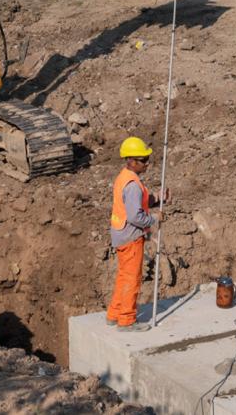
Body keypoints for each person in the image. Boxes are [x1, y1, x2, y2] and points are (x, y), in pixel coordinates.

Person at [106, 136, 168, 331]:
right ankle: (126, 320)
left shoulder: (124, 177)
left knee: (123, 277)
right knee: (132, 279)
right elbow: (135, 216)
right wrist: (155, 220)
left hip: (120, 234)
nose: (147, 164)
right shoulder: (132, 185)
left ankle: (114, 314)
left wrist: (157, 199)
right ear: (132, 161)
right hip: (131, 237)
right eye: (144, 160)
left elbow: (137, 203)